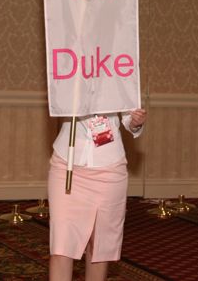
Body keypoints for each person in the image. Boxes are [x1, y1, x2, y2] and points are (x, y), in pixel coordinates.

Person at [48, 108, 147, 281]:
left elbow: (129, 120)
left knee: (99, 247)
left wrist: (135, 122)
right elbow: (57, 103)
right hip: (67, 164)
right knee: (61, 246)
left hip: (109, 168)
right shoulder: (68, 79)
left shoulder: (119, 80)